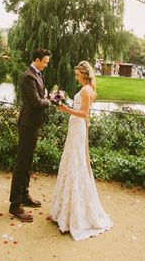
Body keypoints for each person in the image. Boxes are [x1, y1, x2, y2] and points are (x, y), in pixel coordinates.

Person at [49, 60, 112, 240]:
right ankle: (66, 211)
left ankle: (73, 215)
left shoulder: (85, 90)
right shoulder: (87, 89)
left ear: (84, 74)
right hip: (76, 128)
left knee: (75, 163)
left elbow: (83, 113)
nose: (76, 77)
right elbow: (83, 111)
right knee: (73, 161)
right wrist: (65, 99)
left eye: (77, 74)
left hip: (77, 128)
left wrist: (65, 108)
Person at [9, 48, 52, 222]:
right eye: (45, 62)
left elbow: (41, 95)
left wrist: (46, 96)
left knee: (28, 162)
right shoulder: (28, 76)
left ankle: (24, 195)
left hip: (34, 124)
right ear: (36, 59)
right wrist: (49, 100)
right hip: (27, 125)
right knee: (21, 163)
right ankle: (14, 205)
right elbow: (37, 102)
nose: (46, 65)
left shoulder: (38, 74)